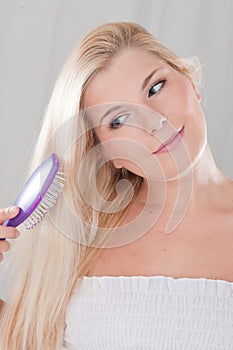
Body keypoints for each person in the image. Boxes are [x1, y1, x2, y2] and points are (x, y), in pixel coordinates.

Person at [1, 21, 233, 349]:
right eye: (119, 121)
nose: (154, 122)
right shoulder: (81, 241)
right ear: (107, 153)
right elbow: (22, 339)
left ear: (190, 80)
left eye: (155, 88)